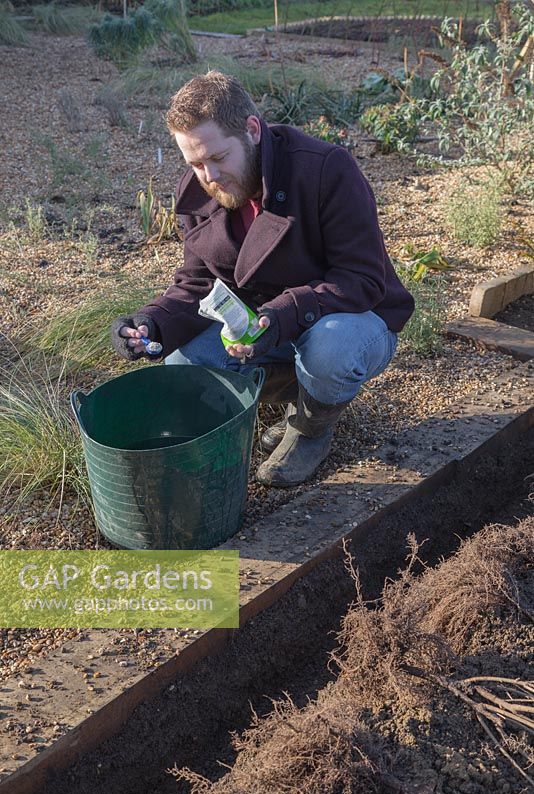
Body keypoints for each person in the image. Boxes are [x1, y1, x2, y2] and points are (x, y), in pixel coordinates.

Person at [111, 70, 414, 488]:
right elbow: (198, 283)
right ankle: (293, 395)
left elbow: (361, 279)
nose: (209, 176)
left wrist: (282, 313)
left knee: (330, 347)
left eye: (217, 158)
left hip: (354, 317)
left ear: (252, 130)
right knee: (182, 361)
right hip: (266, 328)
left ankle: (311, 428)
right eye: (195, 163)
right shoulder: (199, 191)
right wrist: (151, 322)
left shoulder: (324, 169)